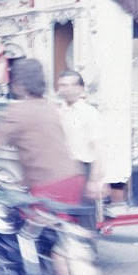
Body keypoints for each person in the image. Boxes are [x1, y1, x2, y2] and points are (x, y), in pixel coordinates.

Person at [0, 58, 84, 205]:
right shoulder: (51, 107)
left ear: (19, 85)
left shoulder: (18, 111)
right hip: (73, 179)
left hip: (48, 186)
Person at [57, 70, 104, 199]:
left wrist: (95, 180)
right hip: (62, 170)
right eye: (63, 85)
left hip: (83, 170)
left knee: (84, 213)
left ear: (81, 88)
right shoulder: (58, 112)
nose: (67, 89)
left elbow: (98, 147)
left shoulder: (89, 113)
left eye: (72, 85)